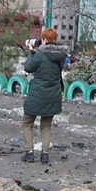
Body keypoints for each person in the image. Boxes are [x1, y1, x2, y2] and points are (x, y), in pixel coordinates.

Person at [21, 28, 68, 164]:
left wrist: (31, 52)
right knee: (46, 125)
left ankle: (29, 153)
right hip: (53, 95)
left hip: (37, 94)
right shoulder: (61, 56)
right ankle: (45, 154)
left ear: (45, 40)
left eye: (42, 39)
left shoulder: (40, 54)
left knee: (27, 122)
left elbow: (28, 67)